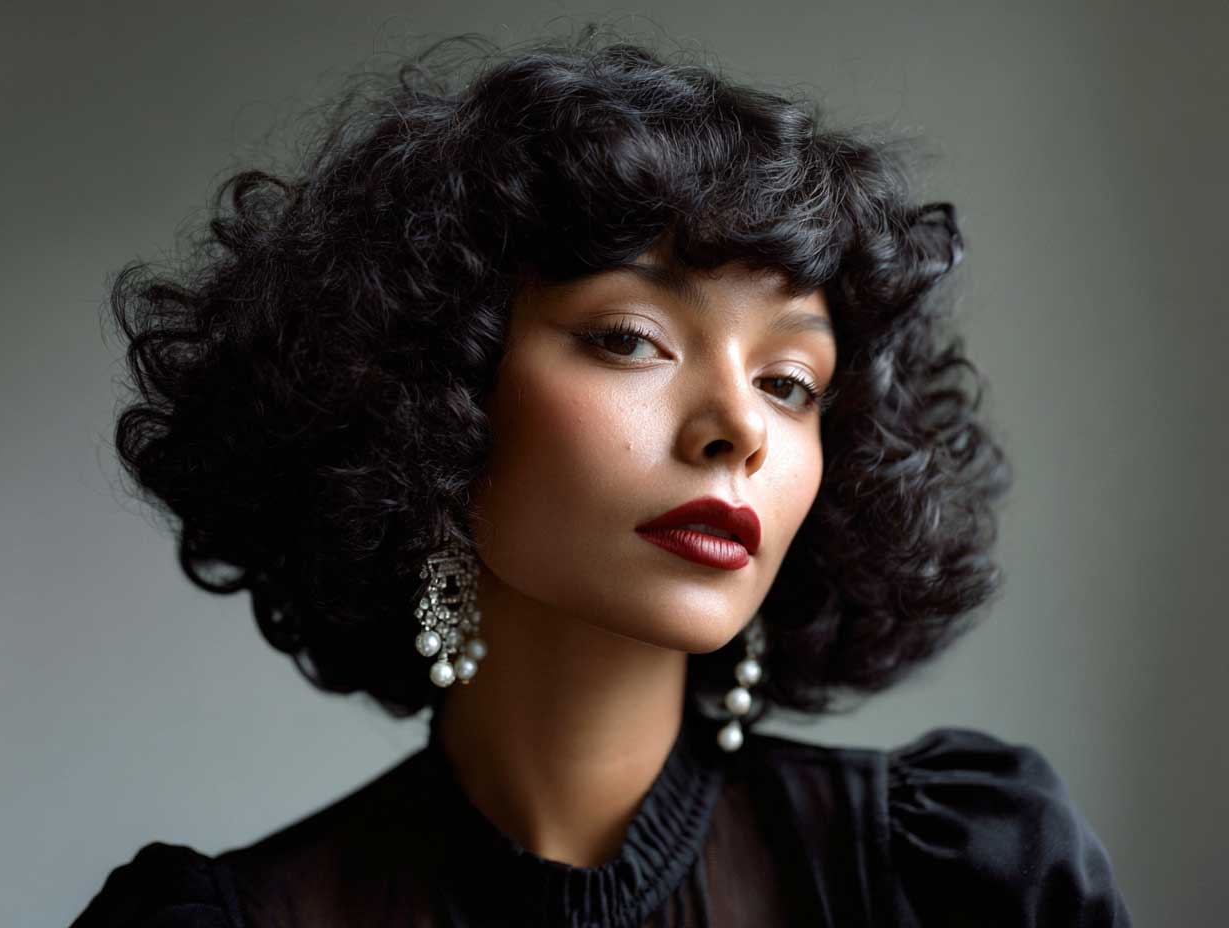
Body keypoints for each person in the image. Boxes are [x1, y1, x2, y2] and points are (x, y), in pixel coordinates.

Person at [70, 24, 1133, 927]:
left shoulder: (958, 881)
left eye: (789, 380)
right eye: (630, 338)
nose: (737, 429)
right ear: (431, 389)